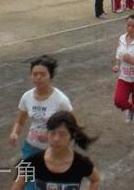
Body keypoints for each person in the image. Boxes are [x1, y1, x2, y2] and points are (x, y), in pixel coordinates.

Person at [9, 56, 73, 190]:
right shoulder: (27, 97)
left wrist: (52, 137)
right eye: (35, 74)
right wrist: (15, 133)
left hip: (52, 152)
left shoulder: (60, 100)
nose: (38, 77)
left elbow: (72, 127)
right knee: (27, 185)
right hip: (30, 148)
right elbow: (20, 122)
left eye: (42, 74)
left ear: (50, 76)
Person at [11, 111, 100, 190]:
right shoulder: (32, 161)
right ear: (47, 134)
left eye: (62, 134)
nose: (56, 139)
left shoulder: (81, 163)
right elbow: (16, 187)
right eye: (52, 133)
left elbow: (95, 180)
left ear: (72, 136)